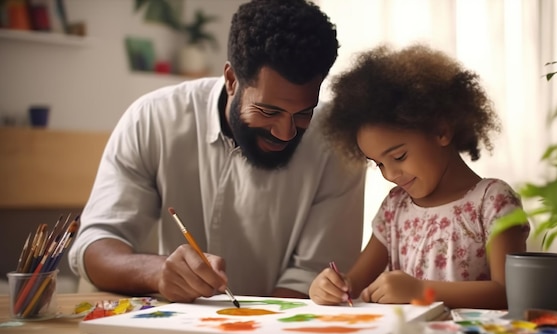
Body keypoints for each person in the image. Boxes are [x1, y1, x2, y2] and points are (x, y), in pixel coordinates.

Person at [68, 0, 365, 303]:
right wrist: (157, 272)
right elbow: (94, 245)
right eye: (268, 110)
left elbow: (315, 274)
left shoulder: (336, 143)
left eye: (303, 113)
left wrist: (249, 330)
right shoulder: (152, 119)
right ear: (232, 80)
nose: (285, 132)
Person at [309, 44, 529, 310]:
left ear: (441, 130)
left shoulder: (493, 202)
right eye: (378, 164)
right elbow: (353, 283)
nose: (390, 174)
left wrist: (420, 290)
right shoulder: (395, 208)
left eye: (399, 157)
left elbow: (508, 293)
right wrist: (329, 287)